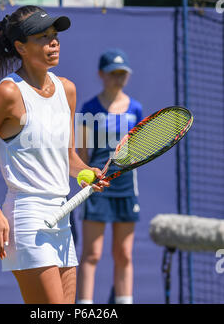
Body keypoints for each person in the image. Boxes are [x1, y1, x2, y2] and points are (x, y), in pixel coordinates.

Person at [0, 5, 109, 304]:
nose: (53, 42)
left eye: (55, 36)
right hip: (27, 220)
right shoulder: (8, 94)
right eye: (43, 37)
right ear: (20, 47)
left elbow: (68, 158)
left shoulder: (68, 89)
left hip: (62, 218)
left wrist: (87, 173)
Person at [76, 48, 143, 304]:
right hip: (98, 187)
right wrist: (85, 180)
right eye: (114, 73)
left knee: (124, 254)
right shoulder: (88, 108)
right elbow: (82, 153)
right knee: (91, 253)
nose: (119, 78)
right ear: (101, 75)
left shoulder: (135, 108)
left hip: (126, 185)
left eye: (123, 74)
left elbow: (139, 148)